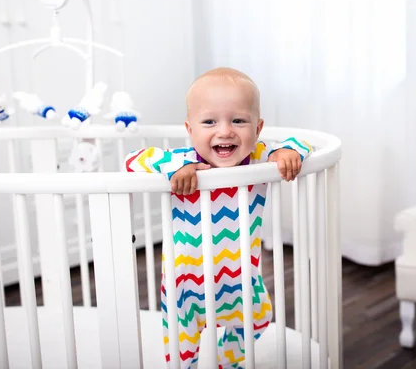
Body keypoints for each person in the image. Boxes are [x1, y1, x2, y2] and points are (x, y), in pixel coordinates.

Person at [125, 67, 311, 368]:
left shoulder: (260, 160)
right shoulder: (183, 163)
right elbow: (132, 160)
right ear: (190, 129)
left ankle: (230, 362)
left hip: (239, 277)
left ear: (258, 128)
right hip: (184, 281)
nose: (225, 131)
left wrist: (288, 152)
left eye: (238, 120)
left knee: (258, 318)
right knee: (181, 344)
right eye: (209, 121)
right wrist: (172, 166)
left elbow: (303, 146)